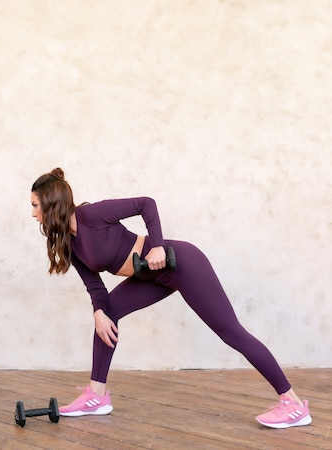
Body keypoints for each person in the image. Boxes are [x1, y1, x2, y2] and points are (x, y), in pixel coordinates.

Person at [30, 167, 312, 429]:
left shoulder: (92, 215)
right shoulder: (70, 243)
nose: (33, 213)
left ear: (51, 202)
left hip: (182, 263)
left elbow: (146, 204)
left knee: (231, 332)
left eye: (35, 205)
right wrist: (98, 312)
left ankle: (294, 404)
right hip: (149, 276)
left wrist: (159, 247)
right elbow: (95, 287)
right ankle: (97, 395)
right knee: (108, 313)